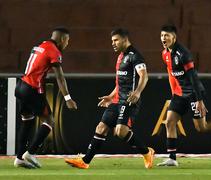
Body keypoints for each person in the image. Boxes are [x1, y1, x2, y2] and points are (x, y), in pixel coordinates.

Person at [65, 28, 155, 169]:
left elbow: (144, 76)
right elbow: (120, 82)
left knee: (120, 131)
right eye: (112, 41)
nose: (113, 43)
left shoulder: (135, 56)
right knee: (101, 128)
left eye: (116, 40)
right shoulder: (120, 56)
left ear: (125, 40)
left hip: (129, 100)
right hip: (117, 100)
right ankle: (85, 161)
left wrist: (137, 92)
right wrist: (111, 96)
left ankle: (147, 152)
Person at [157, 24, 211, 167]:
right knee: (169, 122)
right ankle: (172, 158)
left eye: (166, 35)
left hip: (193, 93)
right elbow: (171, 74)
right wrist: (174, 92)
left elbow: (193, 78)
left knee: (202, 128)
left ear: (174, 37)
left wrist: (199, 100)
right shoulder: (165, 54)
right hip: (179, 94)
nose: (163, 38)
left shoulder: (183, 54)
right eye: (161, 35)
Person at [14, 27, 78, 168]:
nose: (67, 44)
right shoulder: (53, 50)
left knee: (27, 122)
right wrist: (67, 98)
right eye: (67, 41)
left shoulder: (40, 45)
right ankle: (30, 153)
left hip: (20, 86)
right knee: (49, 120)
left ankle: (19, 158)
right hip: (31, 89)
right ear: (62, 39)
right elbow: (60, 77)